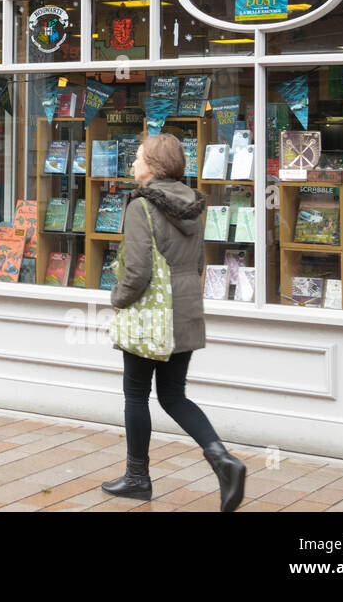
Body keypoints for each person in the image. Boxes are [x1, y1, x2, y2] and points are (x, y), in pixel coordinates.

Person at [102, 132, 247, 512]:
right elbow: (197, 263)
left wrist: (117, 300)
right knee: (173, 395)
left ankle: (137, 478)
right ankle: (222, 459)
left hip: (151, 314)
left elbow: (136, 272)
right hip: (184, 309)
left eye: (137, 158)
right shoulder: (195, 205)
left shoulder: (141, 207)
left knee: (136, 395)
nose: (133, 164)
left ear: (153, 165)